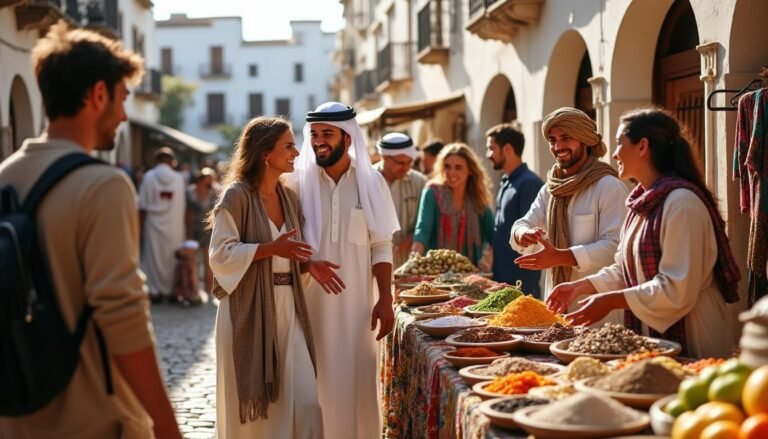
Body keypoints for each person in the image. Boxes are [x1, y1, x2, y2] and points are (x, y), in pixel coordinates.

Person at [0, 21, 180, 438]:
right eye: (121, 99)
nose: (121, 115)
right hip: (92, 421)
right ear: (97, 94)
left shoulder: (5, 177)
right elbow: (123, 317)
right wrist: (167, 427)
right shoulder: (104, 185)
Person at [547, 109, 741, 358]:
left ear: (642, 147)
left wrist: (612, 300)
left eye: (619, 143)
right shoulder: (641, 201)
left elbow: (676, 288)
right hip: (659, 336)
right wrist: (581, 286)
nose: (614, 153)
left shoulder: (682, 203)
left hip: (695, 335)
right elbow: (625, 268)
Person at [208, 116, 343, 438]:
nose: (297, 152)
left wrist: (309, 265)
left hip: (289, 307)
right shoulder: (237, 196)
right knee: (257, 417)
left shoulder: (290, 199)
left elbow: (290, 254)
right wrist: (271, 248)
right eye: (289, 145)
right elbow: (220, 256)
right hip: (248, 311)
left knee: (308, 402)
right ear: (264, 153)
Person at [289, 102, 399, 439]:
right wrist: (307, 264)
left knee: (356, 385)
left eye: (327, 134)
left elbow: (380, 244)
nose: (319, 141)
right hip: (307, 307)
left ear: (347, 138)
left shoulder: (372, 182)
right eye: (314, 134)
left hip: (356, 311)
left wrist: (385, 298)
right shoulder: (295, 183)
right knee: (310, 389)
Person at [510, 107, 629, 323]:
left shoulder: (609, 186)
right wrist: (524, 233)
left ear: (585, 140)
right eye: (553, 140)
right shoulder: (551, 188)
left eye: (566, 138)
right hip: (556, 306)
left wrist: (562, 256)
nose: (558, 146)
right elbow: (524, 222)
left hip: (598, 308)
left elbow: (616, 246)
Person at [412, 143, 494, 267]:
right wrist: (413, 260)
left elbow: (494, 235)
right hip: (436, 273)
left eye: (458, 167)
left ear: (470, 170)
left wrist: (487, 259)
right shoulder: (432, 193)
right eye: (447, 167)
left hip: (471, 275)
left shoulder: (477, 198)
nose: (451, 173)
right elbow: (422, 231)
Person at [485, 123, 544, 296]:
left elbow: (533, 238)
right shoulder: (508, 181)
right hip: (503, 281)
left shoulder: (529, 183)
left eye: (491, 148)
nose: (488, 155)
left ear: (508, 148)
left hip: (522, 285)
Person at [139, 146, 186, 302]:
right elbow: (183, 206)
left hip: (153, 224)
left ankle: (154, 290)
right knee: (171, 259)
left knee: (153, 257)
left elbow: (142, 205)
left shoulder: (148, 177)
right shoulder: (179, 178)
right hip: (174, 225)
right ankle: (171, 290)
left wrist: (139, 228)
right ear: (171, 161)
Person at [373, 132, 427, 268]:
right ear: (384, 157)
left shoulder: (420, 182)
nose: (406, 167)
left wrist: (413, 236)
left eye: (410, 162)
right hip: (373, 259)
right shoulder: (367, 179)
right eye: (401, 162)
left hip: (409, 261)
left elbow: (427, 220)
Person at [186, 167, 218, 294]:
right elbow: (188, 213)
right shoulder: (190, 192)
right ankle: (195, 288)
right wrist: (187, 231)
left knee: (208, 261)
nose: (207, 183)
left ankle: (208, 288)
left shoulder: (216, 192)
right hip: (194, 229)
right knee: (194, 261)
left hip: (210, 230)